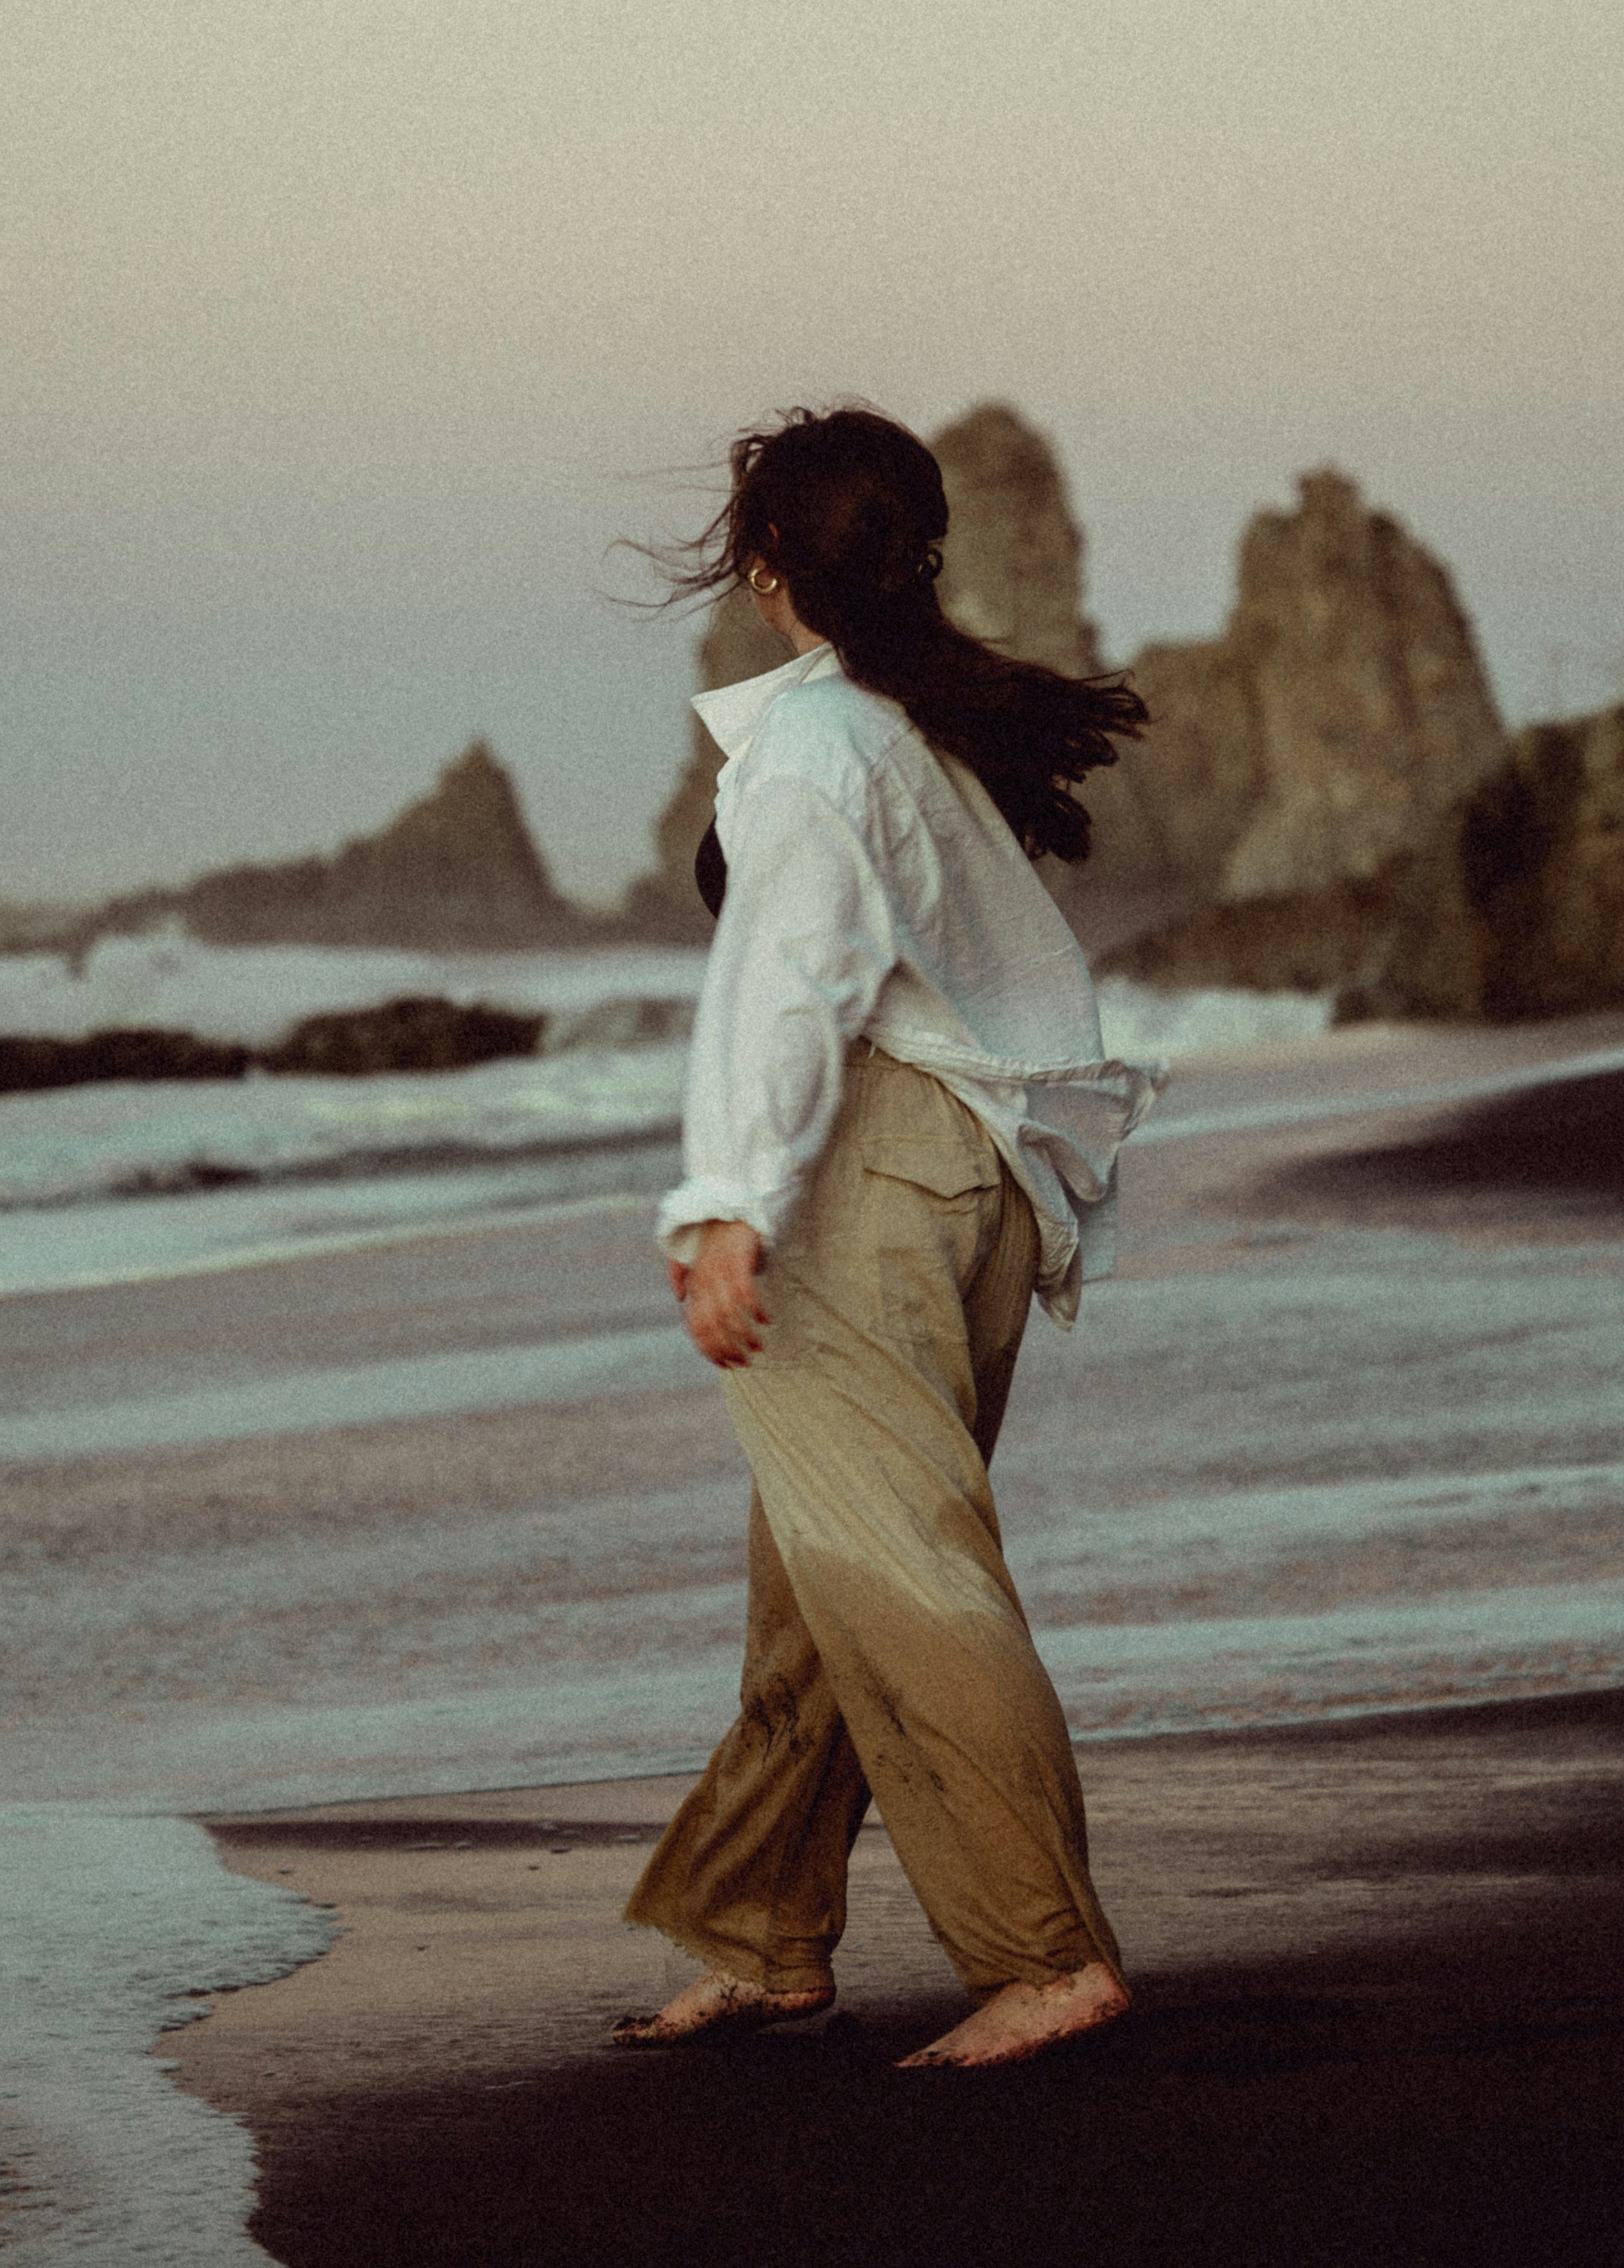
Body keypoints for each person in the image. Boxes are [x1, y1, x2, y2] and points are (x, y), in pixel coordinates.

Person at [612, 405, 1159, 2069]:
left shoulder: (824, 749)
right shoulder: (911, 730)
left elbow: (786, 985)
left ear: (766, 571)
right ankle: (763, 1935)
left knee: (900, 1574)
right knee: (820, 1586)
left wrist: (723, 1207)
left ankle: (1044, 1955)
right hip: (975, 1185)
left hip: (869, 1182)